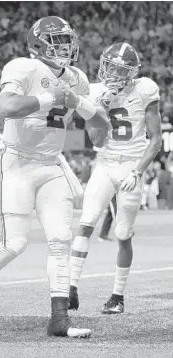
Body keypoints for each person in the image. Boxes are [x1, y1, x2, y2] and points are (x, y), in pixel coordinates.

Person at [0, 16, 109, 338]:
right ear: (38, 45)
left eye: (68, 41)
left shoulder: (78, 79)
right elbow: (6, 107)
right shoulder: (23, 67)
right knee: (15, 244)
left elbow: (100, 132)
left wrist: (81, 104)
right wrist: (52, 98)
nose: (65, 48)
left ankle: (59, 318)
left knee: (60, 239)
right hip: (17, 163)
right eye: (57, 42)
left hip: (51, 165)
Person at [69, 42, 162, 314]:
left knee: (122, 233)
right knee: (86, 222)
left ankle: (117, 297)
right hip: (106, 163)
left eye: (119, 69)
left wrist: (138, 171)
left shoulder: (145, 90)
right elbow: (96, 140)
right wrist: (100, 110)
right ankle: (71, 289)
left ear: (132, 73)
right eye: (109, 66)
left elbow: (155, 140)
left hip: (132, 164)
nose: (111, 73)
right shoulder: (95, 91)